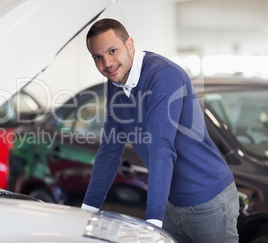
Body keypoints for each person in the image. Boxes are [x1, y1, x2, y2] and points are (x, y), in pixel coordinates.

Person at [81, 18, 239, 243]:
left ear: (130, 44)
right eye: (98, 57)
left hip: (207, 200)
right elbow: (109, 149)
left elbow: (160, 148)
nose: (107, 62)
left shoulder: (163, 75)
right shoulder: (116, 84)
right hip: (170, 202)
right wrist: (88, 210)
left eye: (112, 51)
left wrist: (153, 221)